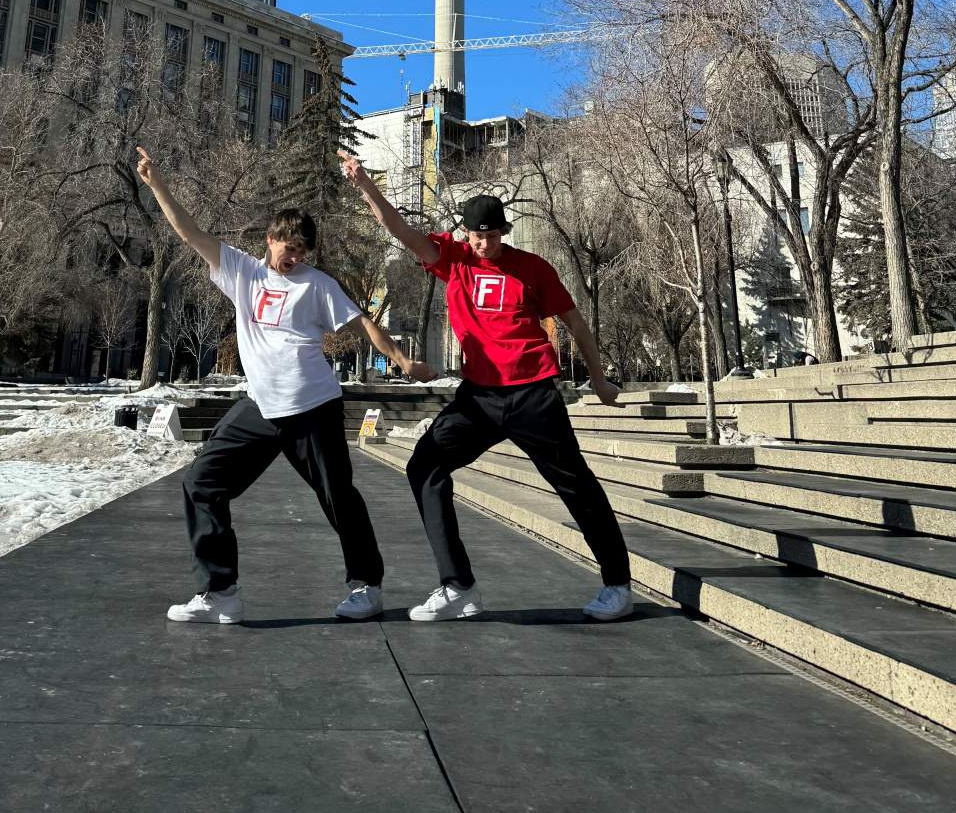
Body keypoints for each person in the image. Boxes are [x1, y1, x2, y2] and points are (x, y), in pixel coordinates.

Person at [135, 145, 435, 625]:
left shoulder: (318, 284)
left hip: (313, 406)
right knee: (201, 483)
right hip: (260, 407)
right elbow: (189, 232)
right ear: (270, 240)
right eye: (287, 247)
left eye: (301, 251)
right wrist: (157, 185)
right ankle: (220, 592)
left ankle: (367, 586)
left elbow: (362, 325)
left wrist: (401, 359)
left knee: (338, 496)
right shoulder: (241, 271)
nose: (293, 257)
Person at [340, 151, 634, 623]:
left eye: (493, 236)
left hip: (533, 392)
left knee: (574, 484)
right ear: (466, 234)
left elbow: (575, 323)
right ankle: (458, 586)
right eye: (477, 236)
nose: (484, 244)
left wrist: (597, 378)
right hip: (479, 396)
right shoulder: (451, 259)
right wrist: (366, 187)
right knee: (425, 467)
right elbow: (400, 230)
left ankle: (617, 584)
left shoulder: (533, 268)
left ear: (504, 232)